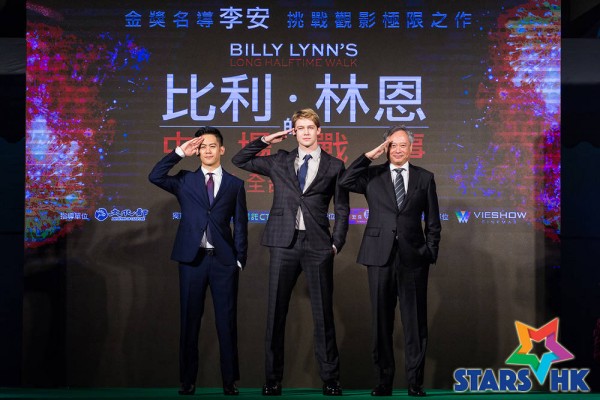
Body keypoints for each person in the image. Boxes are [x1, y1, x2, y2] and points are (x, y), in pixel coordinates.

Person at [232, 108, 349, 396]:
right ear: (293, 132)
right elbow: (240, 160)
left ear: (319, 131)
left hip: (318, 244)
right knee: (275, 314)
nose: (306, 132)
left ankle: (331, 379)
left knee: (323, 315)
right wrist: (266, 140)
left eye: (310, 127)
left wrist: (336, 242)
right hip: (283, 242)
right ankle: (273, 380)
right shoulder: (280, 160)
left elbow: (342, 208)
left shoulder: (335, 165)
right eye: (300, 128)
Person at [338, 126, 441, 397]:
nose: (397, 150)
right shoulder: (372, 175)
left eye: (402, 145)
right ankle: (383, 381)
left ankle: (415, 382)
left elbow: (433, 221)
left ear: (411, 148)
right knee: (381, 321)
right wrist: (369, 156)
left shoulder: (424, 178)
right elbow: (345, 181)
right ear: (386, 148)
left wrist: (429, 252)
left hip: (413, 259)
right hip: (378, 256)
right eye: (392, 145)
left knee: (414, 322)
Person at [148, 127, 248, 396]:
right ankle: (187, 380)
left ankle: (230, 381)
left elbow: (240, 224)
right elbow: (155, 176)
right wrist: (180, 152)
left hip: (224, 261)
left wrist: (239, 259)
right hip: (192, 261)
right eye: (202, 146)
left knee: (226, 323)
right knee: (189, 322)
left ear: (221, 149)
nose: (207, 150)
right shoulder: (184, 180)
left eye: (212, 145)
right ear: (197, 151)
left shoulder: (235, 184)